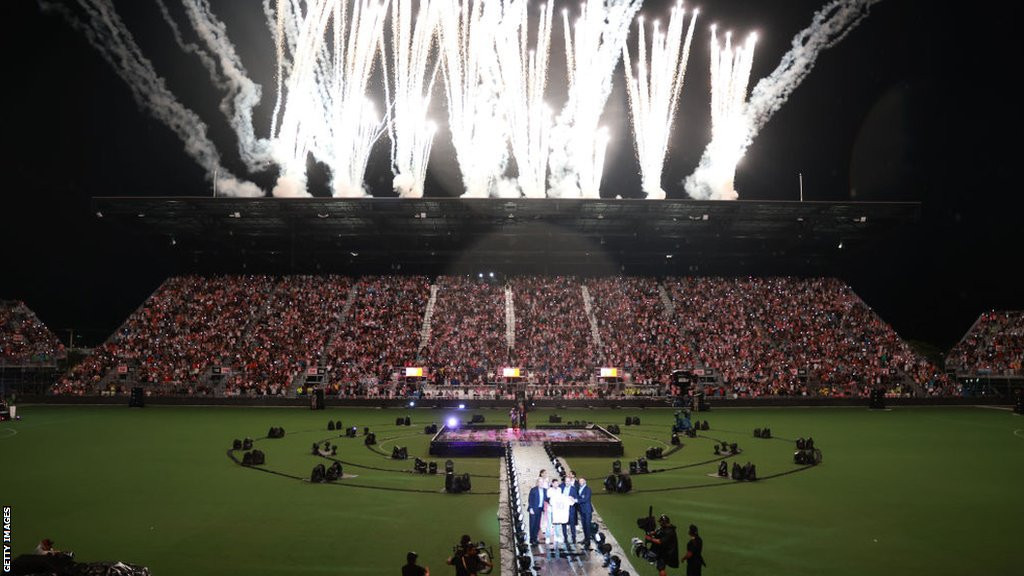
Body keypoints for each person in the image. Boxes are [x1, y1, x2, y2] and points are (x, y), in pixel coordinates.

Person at [575, 477, 594, 548]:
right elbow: (578, 496)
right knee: (584, 526)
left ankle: (588, 542)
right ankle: (585, 539)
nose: (580, 482)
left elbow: (586, 499)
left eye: (582, 481)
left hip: (587, 510)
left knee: (587, 526)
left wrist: (577, 500)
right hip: (582, 510)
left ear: (585, 481)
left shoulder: (588, 489)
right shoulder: (579, 488)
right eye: (579, 481)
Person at [527, 477, 546, 545]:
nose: (541, 483)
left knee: (537, 525)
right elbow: (530, 499)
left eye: (542, 482)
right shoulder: (533, 490)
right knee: (532, 525)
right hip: (533, 510)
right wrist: (531, 508)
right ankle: (531, 539)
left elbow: (547, 499)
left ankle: (535, 538)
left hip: (540, 510)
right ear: (537, 483)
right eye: (540, 482)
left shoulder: (544, 490)